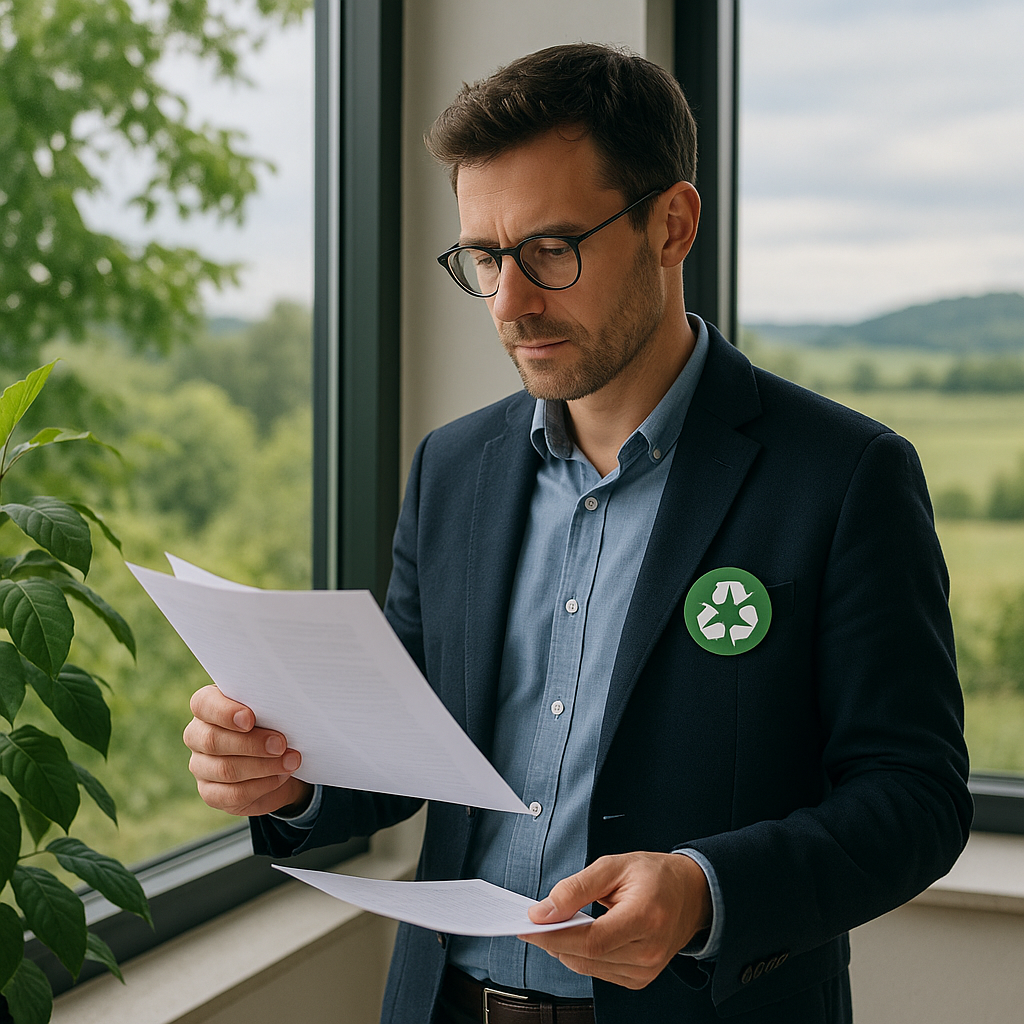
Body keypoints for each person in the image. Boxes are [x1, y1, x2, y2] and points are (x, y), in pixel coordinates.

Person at [183, 43, 971, 1024]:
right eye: (484, 257)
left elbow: (916, 797)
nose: (510, 302)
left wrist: (701, 890)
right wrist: (285, 777)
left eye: (551, 250)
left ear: (671, 224)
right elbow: (404, 754)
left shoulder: (844, 476)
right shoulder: (450, 469)